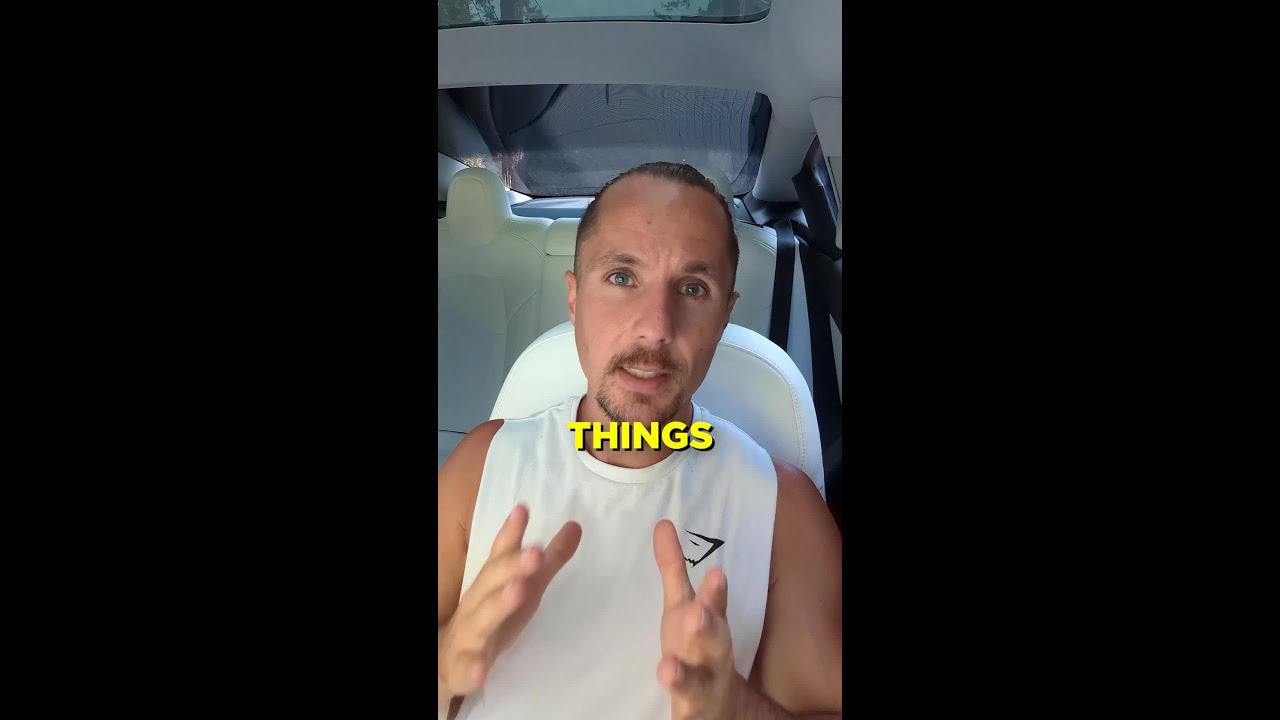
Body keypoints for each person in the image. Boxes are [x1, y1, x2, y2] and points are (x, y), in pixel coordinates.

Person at [437, 162, 842, 719]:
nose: (656, 326)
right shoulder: (481, 466)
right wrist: (445, 665)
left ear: (725, 316)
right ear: (574, 299)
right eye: (622, 277)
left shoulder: (786, 510)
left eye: (693, 289)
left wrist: (738, 710)